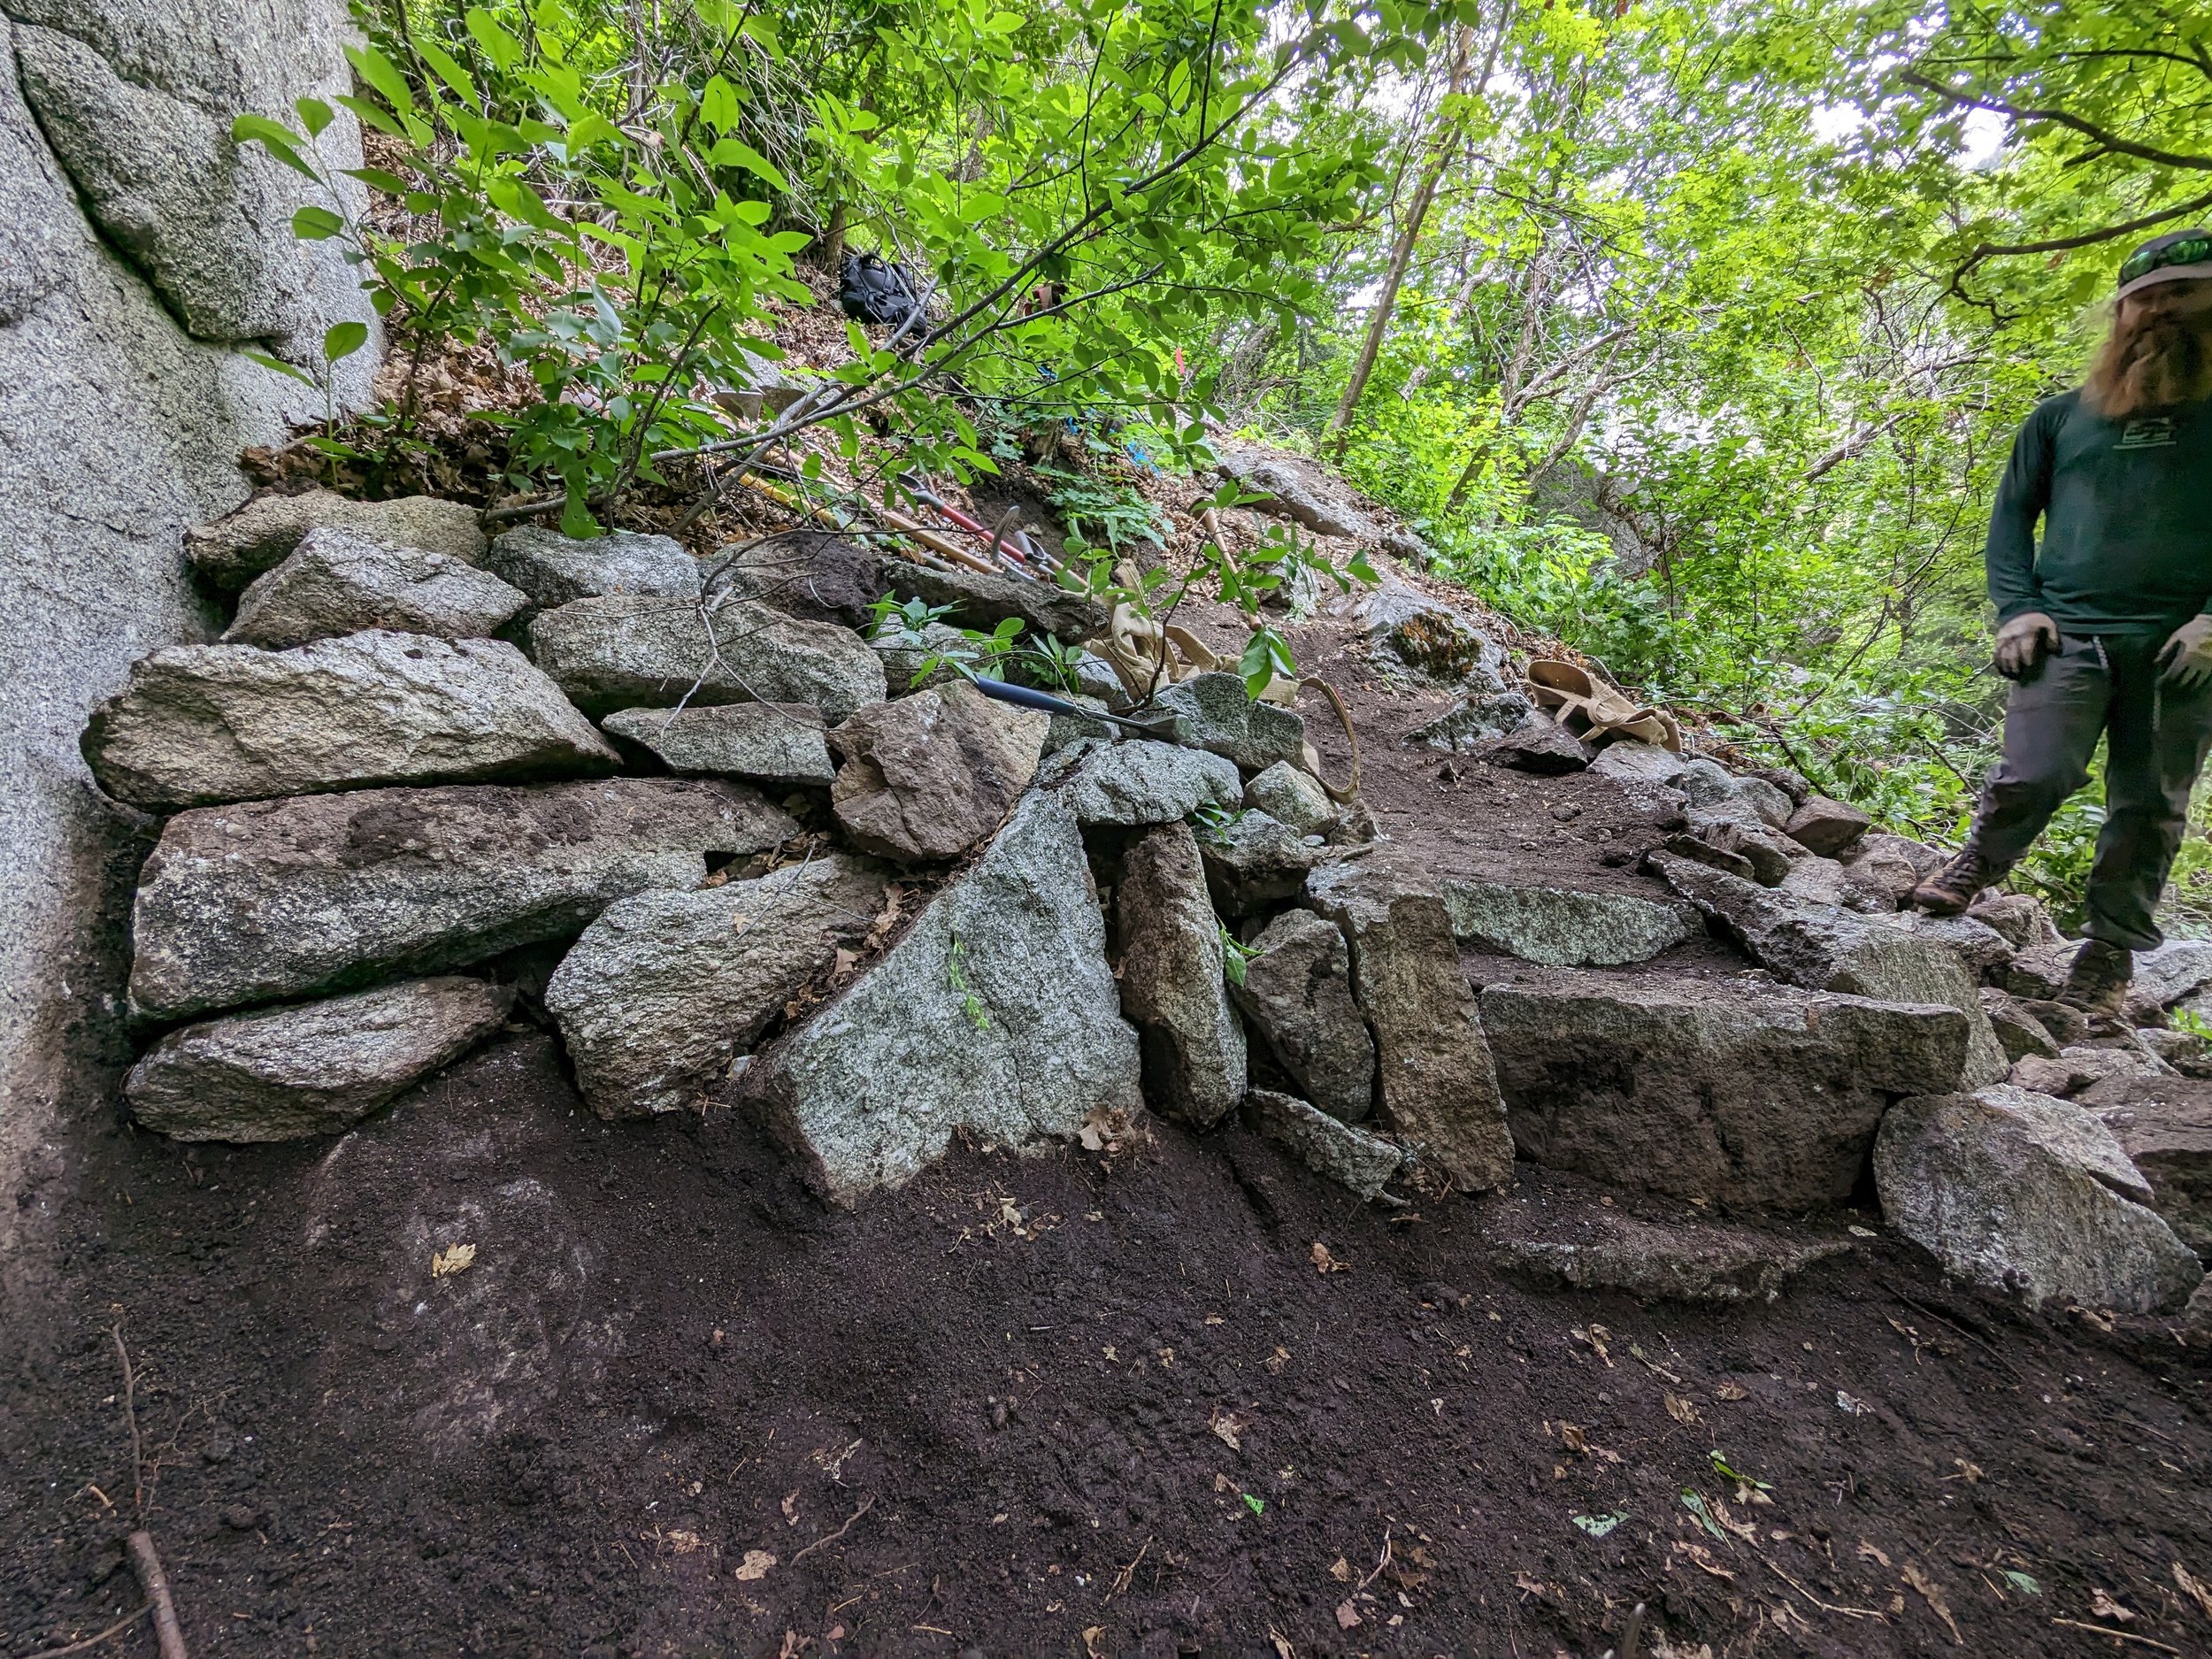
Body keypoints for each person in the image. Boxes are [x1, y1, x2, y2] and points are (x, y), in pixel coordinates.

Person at [1912, 229, 2212, 1021]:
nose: (2160, 310)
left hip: (2185, 646)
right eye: (2144, 297)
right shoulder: (2059, 420)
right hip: (2070, 630)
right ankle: (1982, 858)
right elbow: (2011, 520)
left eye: (2183, 291)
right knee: (2037, 769)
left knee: (2148, 803)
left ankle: (2108, 953)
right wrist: (2018, 607)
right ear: (2120, 313)